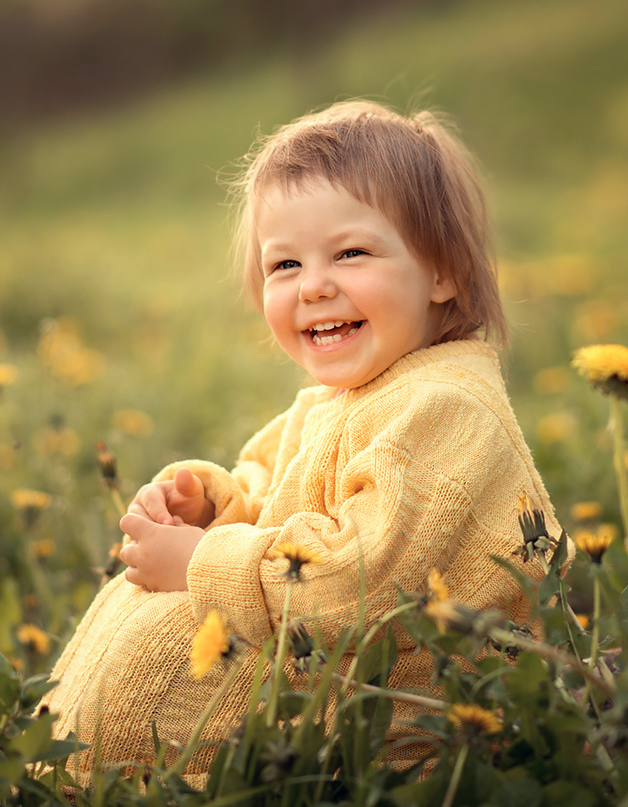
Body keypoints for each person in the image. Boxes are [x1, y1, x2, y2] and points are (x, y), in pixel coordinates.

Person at [40, 100, 562, 780]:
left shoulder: (445, 407)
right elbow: (270, 490)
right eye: (284, 265)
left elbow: (368, 583)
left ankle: (106, 769)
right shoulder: (338, 400)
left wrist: (203, 563)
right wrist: (211, 505)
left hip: (411, 710)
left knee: (168, 638)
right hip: (336, 662)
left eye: (350, 252)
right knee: (141, 593)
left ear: (443, 272)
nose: (314, 286)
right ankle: (63, 749)